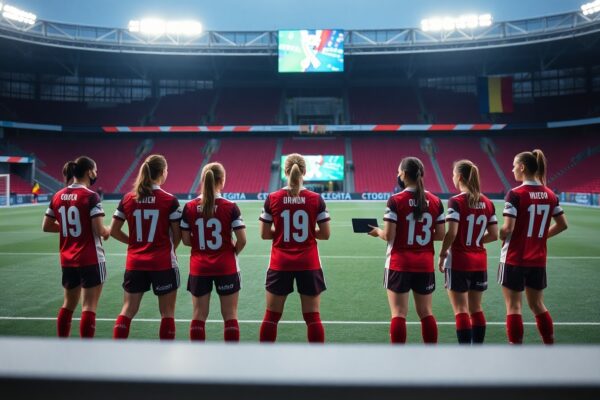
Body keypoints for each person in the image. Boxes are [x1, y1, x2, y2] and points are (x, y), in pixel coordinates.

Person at [369, 157, 445, 344]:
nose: (397, 175)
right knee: (426, 313)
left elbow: (389, 235)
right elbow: (441, 234)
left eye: (398, 172)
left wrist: (377, 231)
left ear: (403, 174)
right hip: (424, 264)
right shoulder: (436, 201)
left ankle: (398, 356)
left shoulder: (395, 200)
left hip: (399, 264)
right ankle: (431, 353)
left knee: (398, 313)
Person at [258, 153, 330, 343]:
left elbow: (264, 234)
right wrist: (308, 232)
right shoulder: (316, 199)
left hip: (280, 262)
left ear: (285, 172)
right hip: (309, 262)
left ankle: (263, 357)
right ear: (304, 172)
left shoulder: (272, 198)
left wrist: (283, 232)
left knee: (271, 317)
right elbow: (325, 234)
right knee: (313, 317)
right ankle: (317, 358)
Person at [498, 149, 568, 344]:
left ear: (522, 167)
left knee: (514, 307)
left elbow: (507, 229)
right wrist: (540, 237)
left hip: (514, 258)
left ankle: (516, 350)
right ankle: (549, 344)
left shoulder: (515, 194)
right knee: (537, 305)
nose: (512, 169)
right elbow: (562, 224)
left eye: (514, 165)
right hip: (538, 259)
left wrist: (499, 233)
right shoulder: (550, 194)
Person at [110, 154, 182, 340]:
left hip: (135, 263)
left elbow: (114, 231)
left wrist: (134, 243)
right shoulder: (169, 200)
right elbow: (178, 234)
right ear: (162, 172)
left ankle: (116, 349)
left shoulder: (128, 198)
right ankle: (167, 354)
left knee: (127, 309)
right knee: (167, 313)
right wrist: (170, 249)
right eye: (167, 170)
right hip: (163, 263)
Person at [42, 156, 110, 338]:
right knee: (89, 307)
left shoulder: (58, 195)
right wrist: (108, 231)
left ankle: (62, 344)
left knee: (68, 305)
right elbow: (99, 229)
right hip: (90, 259)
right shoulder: (91, 196)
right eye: (95, 170)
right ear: (89, 172)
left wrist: (67, 228)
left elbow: (46, 225)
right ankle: (85, 350)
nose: (96, 174)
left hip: (68, 259)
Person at [180, 162, 247, 342]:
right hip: (226, 266)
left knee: (198, 315)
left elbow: (185, 240)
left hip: (199, 267)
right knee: (230, 315)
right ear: (222, 180)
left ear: (202, 179)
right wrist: (232, 252)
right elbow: (242, 240)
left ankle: (198, 355)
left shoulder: (189, 206)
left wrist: (201, 247)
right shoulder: (230, 206)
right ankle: (230, 356)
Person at [437, 160, 498, 344]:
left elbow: (452, 233)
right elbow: (494, 235)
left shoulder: (456, 201)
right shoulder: (488, 202)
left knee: (461, 310)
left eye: (453, 174)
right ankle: (477, 351)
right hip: (479, 261)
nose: (452, 177)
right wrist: (475, 240)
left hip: (459, 261)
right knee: (476, 309)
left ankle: (464, 355)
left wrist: (442, 254)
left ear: (460, 177)